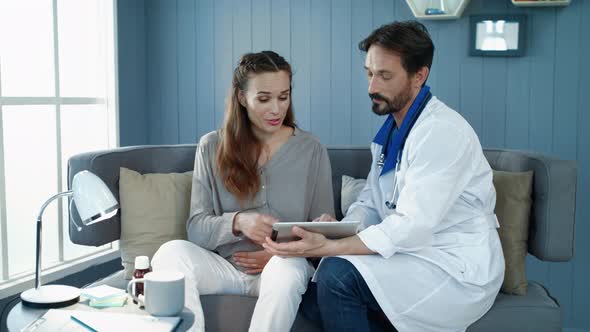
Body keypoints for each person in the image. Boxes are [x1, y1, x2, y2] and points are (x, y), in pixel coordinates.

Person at [263, 21, 505, 332]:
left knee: (336, 277)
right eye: (369, 73)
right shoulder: (392, 132)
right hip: (414, 256)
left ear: (419, 76)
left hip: (454, 266)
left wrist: (328, 248)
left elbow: (412, 225)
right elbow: (373, 200)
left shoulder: (442, 132)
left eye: (384, 76)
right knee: (312, 297)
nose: (371, 87)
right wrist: (337, 230)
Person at [151, 50, 334, 332]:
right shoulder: (211, 146)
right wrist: (238, 222)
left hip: (283, 268)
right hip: (223, 268)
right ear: (241, 98)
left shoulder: (311, 149)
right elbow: (196, 229)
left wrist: (279, 254)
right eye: (264, 99)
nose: (276, 109)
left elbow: (322, 231)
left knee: (285, 272)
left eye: (283, 97)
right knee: (170, 253)